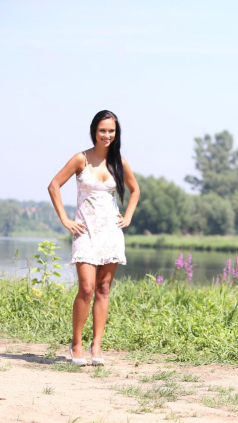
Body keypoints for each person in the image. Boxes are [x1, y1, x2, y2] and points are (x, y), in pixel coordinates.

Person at [47, 110, 140, 367]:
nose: (107, 135)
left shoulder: (119, 162)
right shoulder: (81, 159)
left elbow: (135, 190)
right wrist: (66, 220)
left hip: (110, 232)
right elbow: (54, 185)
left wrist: (128, 216)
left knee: (103, 288)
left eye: (111, 130)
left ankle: (96, 343)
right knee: (86, 288)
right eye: (102, 130)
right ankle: (76, 343)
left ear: (116, 133)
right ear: (94, 131)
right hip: (84, 231)